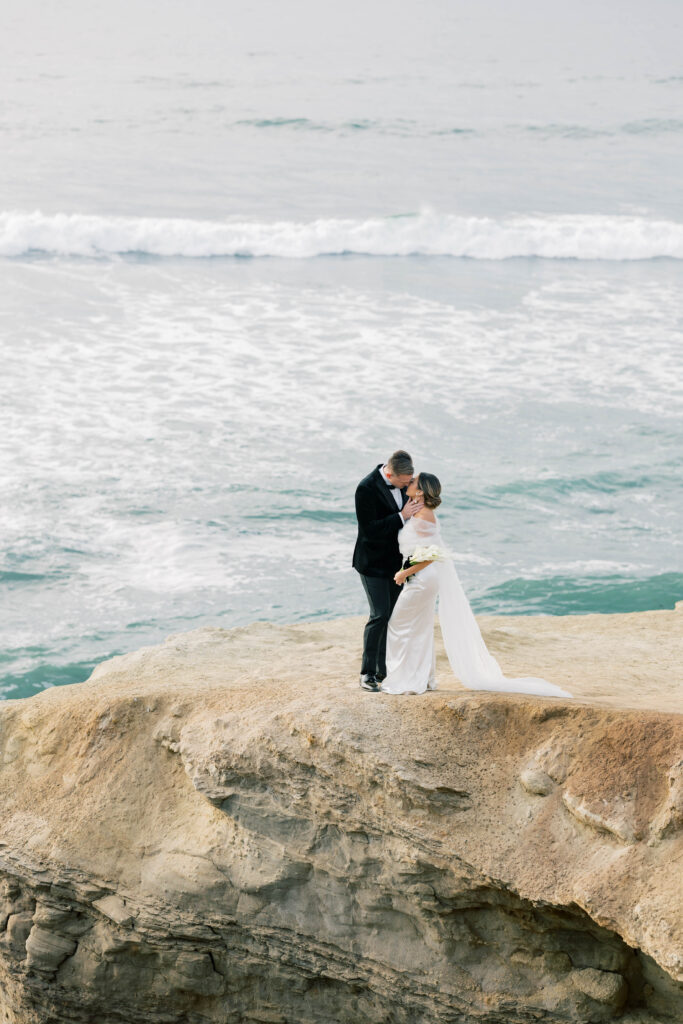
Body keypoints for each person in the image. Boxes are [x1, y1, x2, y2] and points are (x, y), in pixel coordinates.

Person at [381, 472, 572, 699]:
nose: (409, 484)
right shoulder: (421, 512)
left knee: (398, 625)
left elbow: (431, 554)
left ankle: (406, 679)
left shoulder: (423, 516)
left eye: (413, 482)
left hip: (422, 578)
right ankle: (421, 679)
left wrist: (404, 573)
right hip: (424, 577)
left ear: (421, 491)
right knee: (419, 628)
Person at [352, 451, 424, 691]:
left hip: (397, 562)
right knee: (379, 614)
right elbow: (370, 529)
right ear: (390, 473)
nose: (407, 485)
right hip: (372, 563)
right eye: (404, 481)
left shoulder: (405, 483)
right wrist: (401, 516)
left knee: (393, 615)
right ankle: (367, 673)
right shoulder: (366, 488)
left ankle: (385, 670)